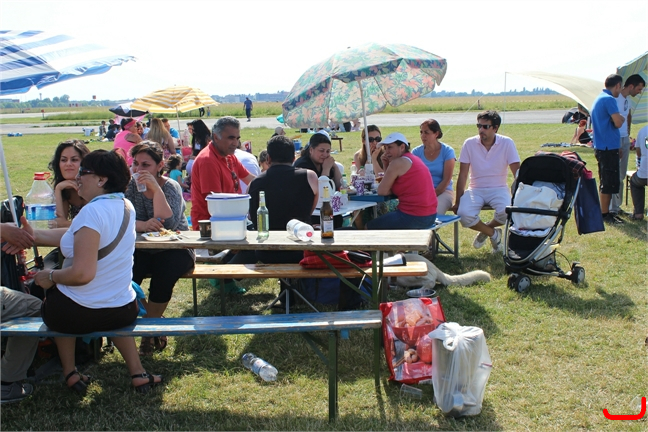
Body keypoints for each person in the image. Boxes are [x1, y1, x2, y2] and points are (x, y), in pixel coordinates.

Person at [28, 149, 162, 394]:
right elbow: (75, 235)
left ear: (101, 179)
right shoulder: (126, 206)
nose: (78, 177)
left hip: (78, 314)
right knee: (105, 294)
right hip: (123, 311)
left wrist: (49, 277)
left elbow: (82, 274)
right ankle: (138, 373)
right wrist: (33, 235)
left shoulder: (91, 212)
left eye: (83, 171)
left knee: (56, 298)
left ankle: (70, 372)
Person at [126, 142, 194, 356]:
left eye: (145, 165)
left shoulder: (170, 186)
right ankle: (152, 319)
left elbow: (169, 224)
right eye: (135, 164)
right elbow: (125, 219)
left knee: (165, 271)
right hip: (142, 247)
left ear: (159, 166)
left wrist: (156, 189)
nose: (139, 169)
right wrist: (143, 225)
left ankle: (149, 328)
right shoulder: (131, 186)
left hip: (175, 247)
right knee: (126, 273)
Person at [229, 135, 318, 265]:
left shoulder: (253, 184)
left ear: (268, 158)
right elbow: (310, 210)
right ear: (294, 158)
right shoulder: (310, 177)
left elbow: (251, 216)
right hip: (301, 248)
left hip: (266, 251)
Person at [452, 110, 520, 253]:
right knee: (463, 214)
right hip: (475, 189)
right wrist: (458, 201)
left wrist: (521, 196)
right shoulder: (469, 143)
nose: (481, 130)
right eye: (479, 126)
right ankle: (493, 233)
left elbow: (517, 173)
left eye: (485, 126)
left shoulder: (507, 143)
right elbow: (463, 175)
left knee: (509, 213)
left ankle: (487, 228)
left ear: (495, 128)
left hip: (499, 188)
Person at [190, 116, 256, 227]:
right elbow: (217, 205)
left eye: (237, 138)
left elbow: (252, 180)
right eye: (231, 138)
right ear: (216, 137)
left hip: (230, 220)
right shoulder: (208, 161)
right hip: (213, 227)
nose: (235, 143)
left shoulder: (229, 156)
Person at [366, 133, 437, 229]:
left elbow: (382, 191)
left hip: (413, 216)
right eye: (385, 148)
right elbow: (389, 186)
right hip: (430, 215)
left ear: (402, 147)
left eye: (390, 147)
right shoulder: (413, 159)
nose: (386, 152)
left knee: (368, 227)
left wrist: (390, 188)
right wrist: (386, 165)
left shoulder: (397, 163)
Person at [591, 74, 625, 225]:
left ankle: (606, 211)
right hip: (607, 147)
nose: (621, 90)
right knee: (609, 182)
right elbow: (618, 122)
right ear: (617, 85)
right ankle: (605, 213)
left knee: (606, 180)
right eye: (621, 87)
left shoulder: (599, 98)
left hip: (602, 145)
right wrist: (620, 118)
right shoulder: (609, 99)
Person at [610, 74, 646, 216]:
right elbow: (613, 121)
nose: (639, 92)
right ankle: (612, 208)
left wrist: (628, 134)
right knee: (614, 173)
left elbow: (628, 116)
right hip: (616, 139)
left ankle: (617, 206)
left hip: (625, 138)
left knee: (621, 174)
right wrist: (617, 142)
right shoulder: (615, 99)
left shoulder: (628, 100)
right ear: (631, 86)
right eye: (639, 89)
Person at [411, 119, 456, 215]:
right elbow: (413, 178)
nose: (423, 136)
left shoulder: (447, 151)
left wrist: (431, 196)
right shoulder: (416, 152)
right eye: (421, 132)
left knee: (433, 213)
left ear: (436, 134)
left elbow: (446, 180)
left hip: (444, 192)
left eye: (426, 132)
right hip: (422, 193)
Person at [49, 140, 90, 228]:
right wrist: (58, 189)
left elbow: (93, 225)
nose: (68, 164)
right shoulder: (66, 188)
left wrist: (64, 224)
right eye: (64, 160)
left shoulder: (95, 186)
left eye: (74, 160)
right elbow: (59, 221)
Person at [629, 125, 648, 221]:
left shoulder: (642, 131)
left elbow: (638, 153)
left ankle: (638, 213)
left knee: (635, 183)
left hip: (644, 174)